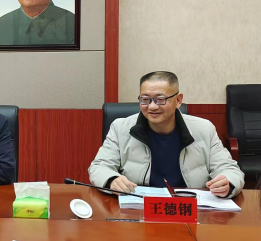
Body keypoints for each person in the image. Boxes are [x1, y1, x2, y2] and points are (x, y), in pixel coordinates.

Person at [89, 71, 245, 198]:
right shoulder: (120, 128)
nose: (152, 106)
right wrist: (112, 180)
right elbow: (99, 167)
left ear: (178, 100)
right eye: (145, 99)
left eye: (160, 99)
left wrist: (227, 183)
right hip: (139, 205)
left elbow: (229, 169)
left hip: (189, 206)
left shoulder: (204, 129)